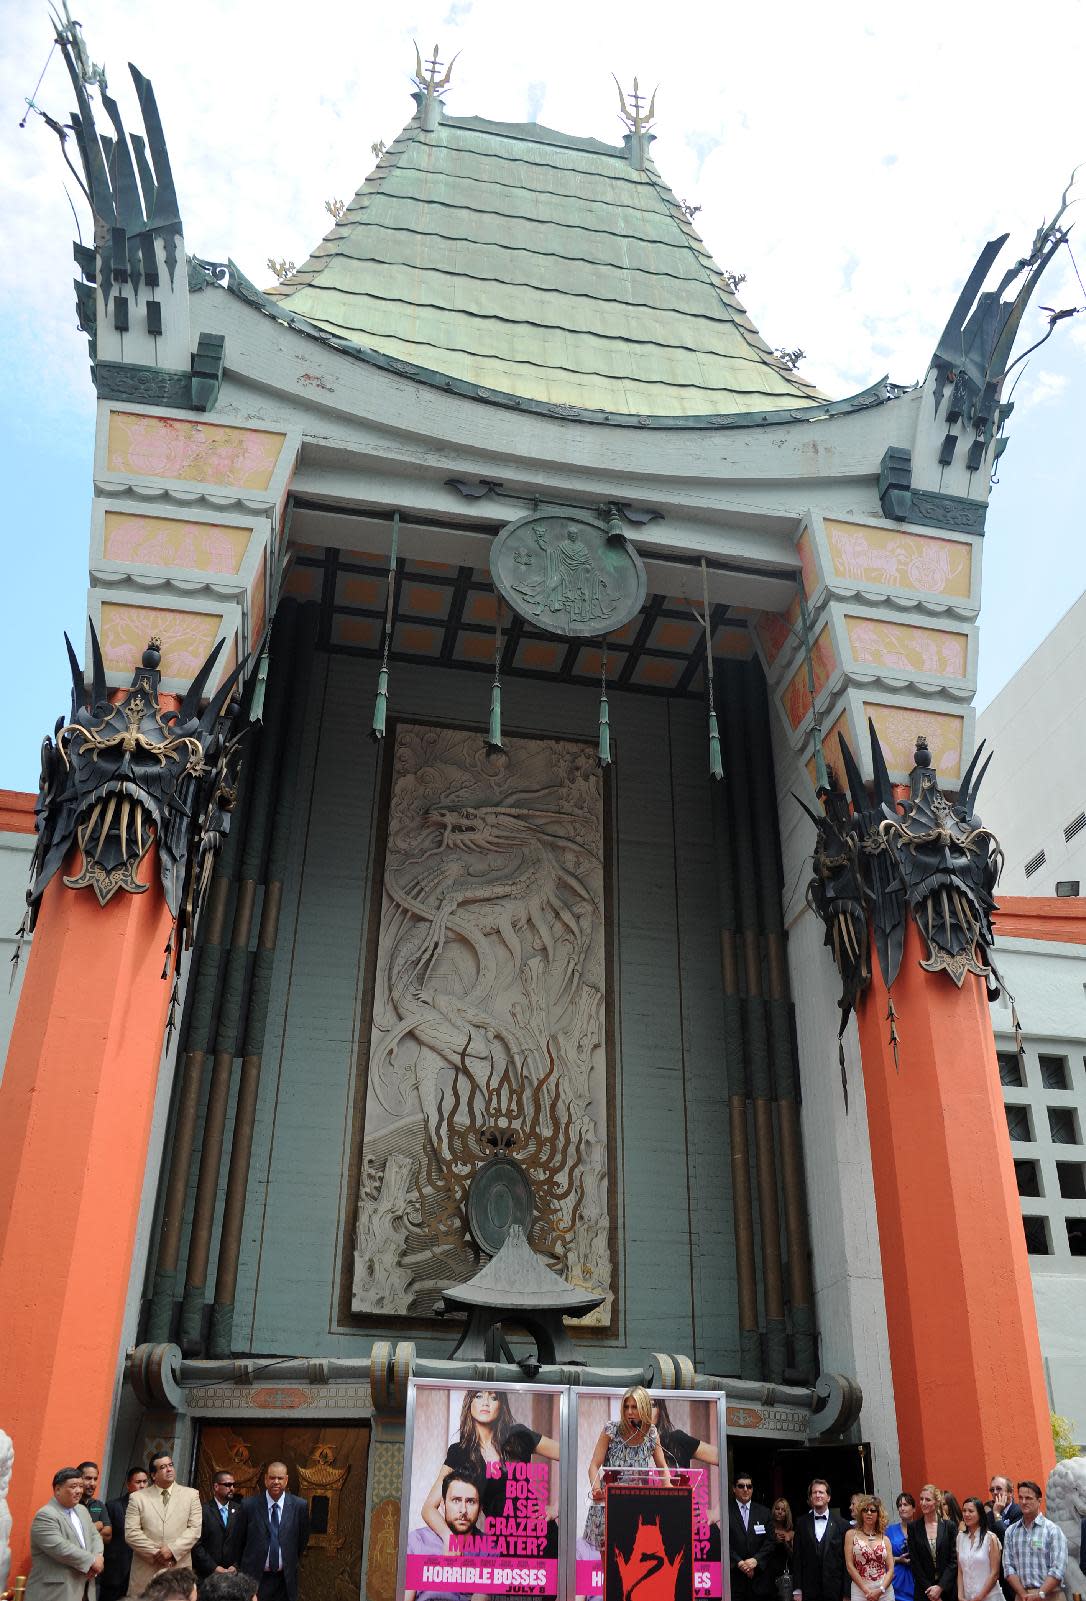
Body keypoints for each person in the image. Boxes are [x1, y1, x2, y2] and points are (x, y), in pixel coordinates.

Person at [422, 1388, 560, 1541]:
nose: (486, 1403)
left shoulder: (518, 1435)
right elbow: (428, 1509)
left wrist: (556, 1508)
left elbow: (567, 1454)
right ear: (470, 1403)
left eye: (493, 1398)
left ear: (501, 1406)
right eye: (479, 1396)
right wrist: (448, 1537)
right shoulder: (459, 1452)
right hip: (502, 1544)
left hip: (543, 1537)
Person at [582, 1386, 672, 1553]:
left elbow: (663, 1467)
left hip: (638, 1505)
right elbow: (594, 1465)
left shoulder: (651, 1433)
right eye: (626, 1406)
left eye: (634, 1407)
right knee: (610, 1566)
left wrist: (669, 1488)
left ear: (644, 1407)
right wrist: (596, 1490)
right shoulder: (611, 1430)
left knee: (633, 1562)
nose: (629, 1411)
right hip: (609, 1503)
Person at [125, 1453, 202, 1596]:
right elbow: (131, 1533)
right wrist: (158, 1553)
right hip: (147, 1568)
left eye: (170, 1465)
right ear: (153, 1475)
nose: (169, 1469)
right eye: (163, 1467)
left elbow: (194, 1530)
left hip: (178, 1568)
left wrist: (172, 1551)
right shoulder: (138, 1498)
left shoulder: (191, 1495)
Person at [25, 1466, 104, 1600]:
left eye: (80, 1486)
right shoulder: (46, 1515)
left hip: (85, 1589)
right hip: (56, 1592)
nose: (79, 1491)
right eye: (73, 1486)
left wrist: (98, 1556)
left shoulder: (82, 1510)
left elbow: (94, 1535)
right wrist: (91, 1561)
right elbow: (61, 1548)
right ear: (57, 1489)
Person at [234, 1461, 309, 1601]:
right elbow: (238, 1540)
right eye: (272, 1478)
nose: (276, 1482)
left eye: (280, 1478)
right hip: (255, 1578)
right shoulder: (249, 1505)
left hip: (285, 1580)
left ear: (286, 1480)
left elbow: (302, 1540)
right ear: (265, 1479)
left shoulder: (299, 1506)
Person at [405, 1471, 483, 1601]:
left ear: (480, 1508)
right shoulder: (417, 1541)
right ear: (443, 1504)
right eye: (456, 1500)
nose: (463, 1510)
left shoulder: (489, 1547)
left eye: (470, 1502)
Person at [1002, 1480, 1067, 1601]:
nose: (1024, 1502)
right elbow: (1008, 1567)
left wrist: (1040, 1594)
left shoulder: (1053, 1531)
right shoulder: (1011, 1532)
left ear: (1039, 1500)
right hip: (1022, 1596)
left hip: (1050, 1595)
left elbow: (1058, 1569)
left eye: (1028, 1498)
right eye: (1020, 1498)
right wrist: (1023, 1594)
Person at [793, 1479, 848, 1601]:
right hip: (809, 1591)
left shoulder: (842, 1524)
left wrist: (846, 1593)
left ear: (828, 1497)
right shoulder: (801, 1523)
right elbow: (797, 1558)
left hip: (835, 1590)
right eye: (814, 1492)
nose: (818, 1495)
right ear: (810, 1497)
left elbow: (846, 1562)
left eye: (821, 1492)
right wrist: (797, 1590)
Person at [100, 1465, 148, 1601]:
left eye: (145, 1482)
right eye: (138, 1482)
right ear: (128, 1485)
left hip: (140, 1573)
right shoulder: (113, 1506)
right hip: (116, 1572)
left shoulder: (152, 1508)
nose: (142, 1486)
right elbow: (105, 1537)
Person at [729, 1473, 775, 1601]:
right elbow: (723, 1542)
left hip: (759, 1580)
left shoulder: (764, 1512)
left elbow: (770, 1542)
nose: (745, 1489)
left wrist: (756, 1561)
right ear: (733, 1488)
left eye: (749, 1486)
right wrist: (739, 1562)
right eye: (741, 1486)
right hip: (735, 1580)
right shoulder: (725, 1512)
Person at [907, 1485, 957, 1601]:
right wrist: (930, 1590)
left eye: (928, 1499)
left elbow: (954, 1560)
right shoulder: (913, 1527)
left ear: (936, 1502)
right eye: (921, 1499)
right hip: (924, 1591)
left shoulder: (949, 1526)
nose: (923, 1503)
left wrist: (940, 1588)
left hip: (947, 1590)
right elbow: (915, 1562)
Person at [193, 1471, 242, 1579]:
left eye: (233, 1485)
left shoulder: (240, 1510)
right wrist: (214, 1568)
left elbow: (243, 1542)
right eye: (228, 1485)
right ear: (216, 1486)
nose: (232, 1488)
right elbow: (196, 1544)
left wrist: (235, 1566)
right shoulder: (203, 1510)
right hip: (207, 1575)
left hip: (232, 1575)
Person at [845, 1496, 894, 1601]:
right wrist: (866, 1591)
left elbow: (890, 1570)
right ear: (861, 1513)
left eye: (873, 1510)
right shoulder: (851, 1535)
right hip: (860, 1590)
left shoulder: (885, 1539)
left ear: (878, 1514)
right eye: (865, 1510)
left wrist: (881, 1590)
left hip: (884, 1591)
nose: (869, 1513)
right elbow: (849, 1566)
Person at [957, 1497, 1001, 1601]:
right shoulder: (960, 1537)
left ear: (980, 1514)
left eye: (971, 1511)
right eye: (964, 1511)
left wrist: (979, 1597)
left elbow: (994, 1574)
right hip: (968, 1597)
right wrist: (960, 1595)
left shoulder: (990, 1538)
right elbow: (960, 1570)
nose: (966, 1514)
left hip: (990, 1596)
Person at [886, 1493, 916, 1601]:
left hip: (917, 1579)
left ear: (914, 1509)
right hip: (897, 1580)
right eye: (899, 1505)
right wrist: (899, 1559)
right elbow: (882, 1558)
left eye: (905, 1504)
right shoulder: (889, 1531)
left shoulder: (922, 1529)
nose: (902, 1508)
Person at [77, 1462, 112, 1545]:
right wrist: (96, 1526)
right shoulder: (70, 1504)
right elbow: (70, 1536)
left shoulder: (99, 1505)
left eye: (95, 1479)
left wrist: (84, 1534)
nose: (92, 1483)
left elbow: (107, 1536)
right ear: (78, 1479)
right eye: (88, 1478)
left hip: (95, 1557)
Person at [769, 1498, 796, 1601]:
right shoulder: (767, 1529)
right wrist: (773, 1540)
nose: (780, 1512)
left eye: (783, 1510)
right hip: (768, 1574)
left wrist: (786, 1543)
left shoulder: (791, 1533)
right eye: (777, 1509)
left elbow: (795, 1557)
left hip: (785, 1575)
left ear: (787, 1513)